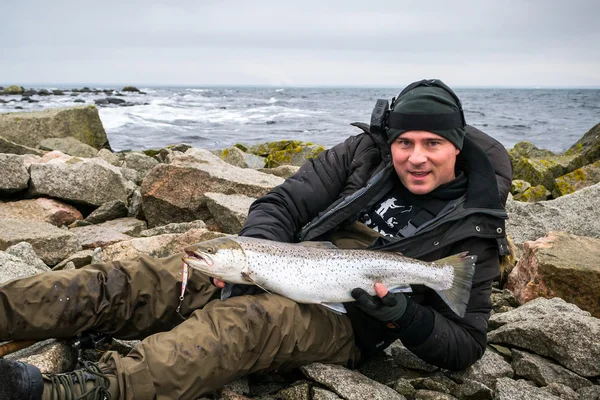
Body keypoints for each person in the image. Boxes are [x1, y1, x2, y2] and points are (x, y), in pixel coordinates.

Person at [0, 79, 512, 400]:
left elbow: (465, 346)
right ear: (390, 140)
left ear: (457, 144)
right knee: (138, 277)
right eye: (405, 142)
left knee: (240, 326)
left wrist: (403, 316)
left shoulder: (475, 226)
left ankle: (67, 392)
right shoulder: (361, 153)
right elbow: (281, 204)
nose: (416, 157)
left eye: (433, 143)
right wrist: (253, 259)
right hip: (280, 264)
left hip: (347, 323)